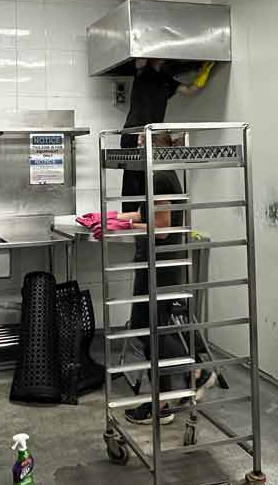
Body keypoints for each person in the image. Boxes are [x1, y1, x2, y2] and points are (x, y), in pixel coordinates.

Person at [115, 132, 218, 425]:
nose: (136, 148)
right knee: (149, 328)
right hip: (157, 263)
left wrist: (123, 228)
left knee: (151, 329)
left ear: (153, 146)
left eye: (140, 143)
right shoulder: (160, 174)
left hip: (160, 266)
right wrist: (111, 217)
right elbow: (145, 214)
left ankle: (194, 375)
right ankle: (172, 392)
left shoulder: (160, 178)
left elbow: (161, 228)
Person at [121, 59, 214, 212]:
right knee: (134, 183)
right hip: (134, 133)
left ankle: (150, 219)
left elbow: (189, 90)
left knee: (151, 183)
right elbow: (140, 57)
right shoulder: (143, 72)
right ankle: (131, 218)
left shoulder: (166, 80)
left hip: (154, 136)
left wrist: (204, 72)